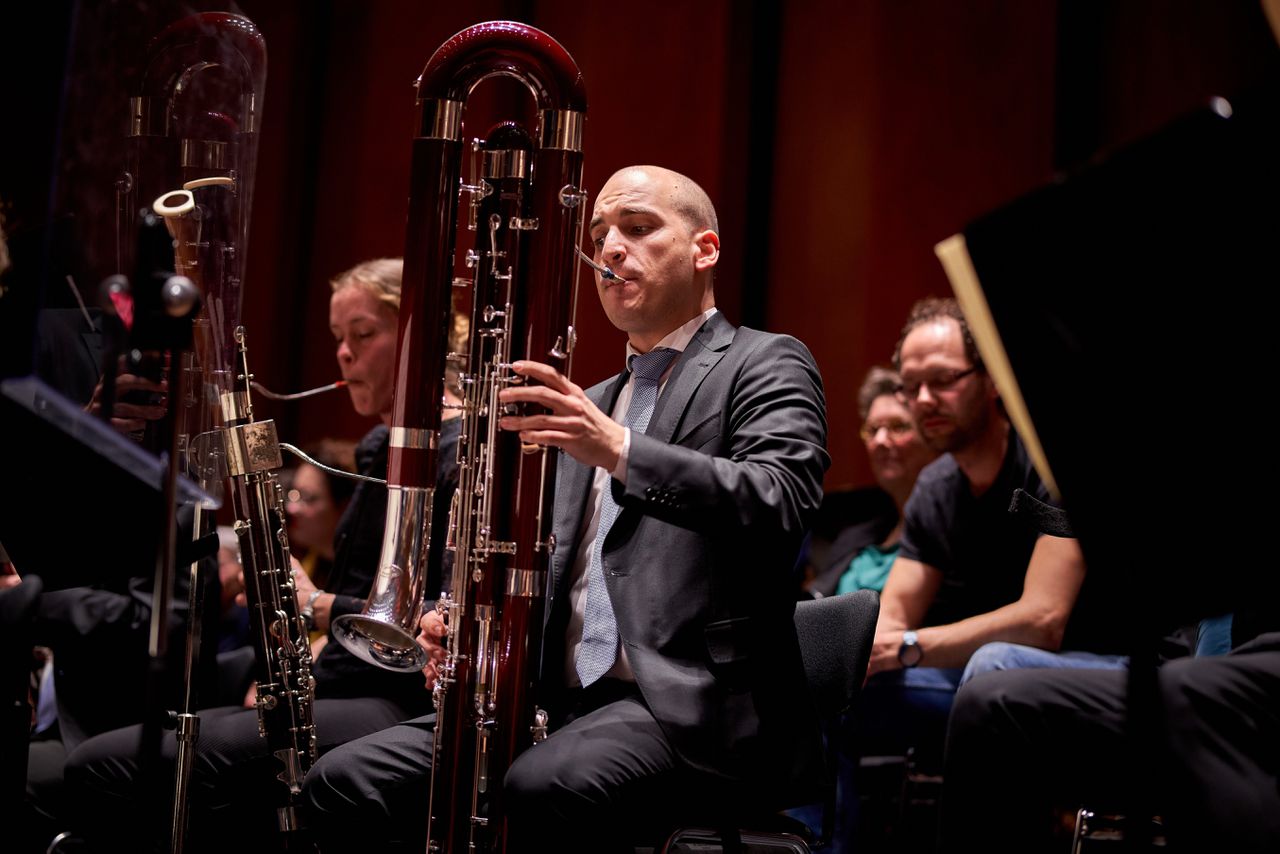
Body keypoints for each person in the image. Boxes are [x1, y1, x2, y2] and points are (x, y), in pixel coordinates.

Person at [302, 165, 830, 852]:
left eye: (637, 229)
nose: (609, 250)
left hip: (684, 705)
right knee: (345, 780)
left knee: (544, 785)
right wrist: (460, 623)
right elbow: (551, 567)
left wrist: (618, 448)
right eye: (601, 234)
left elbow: (780, 499)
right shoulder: (593, 398)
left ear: (704, 249)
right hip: (555, 698)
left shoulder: (763, 362)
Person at [61, 258, 459, 851]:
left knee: (106, 766)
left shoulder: (458, 452)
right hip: (344, 679)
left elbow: (445, 616)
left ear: (416, 339)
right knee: (152, 687)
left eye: (364, 334)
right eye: (337, 339)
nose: (344, 355)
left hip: (400, 701)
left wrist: (314, 603)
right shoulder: (379, 446)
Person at [806, 366, 937, 597]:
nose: (880, 440)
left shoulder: (951, 531)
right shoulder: (854, 537)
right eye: (873, 429)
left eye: (898, 427)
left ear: (931, 434)